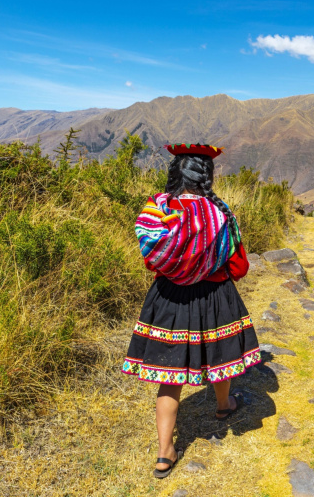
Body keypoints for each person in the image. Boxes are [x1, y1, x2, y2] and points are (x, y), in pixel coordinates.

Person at [121, 143, 261, 478]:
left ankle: (164, 452)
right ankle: (224, 406)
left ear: (175, 174)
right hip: (214, 295)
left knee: (169, 375)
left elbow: (149, 259)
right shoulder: (220, 214)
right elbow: (239, 266)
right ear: (207, 178)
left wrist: (181, 268)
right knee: (219, 355)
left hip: (169, 299)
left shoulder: (158, 212)